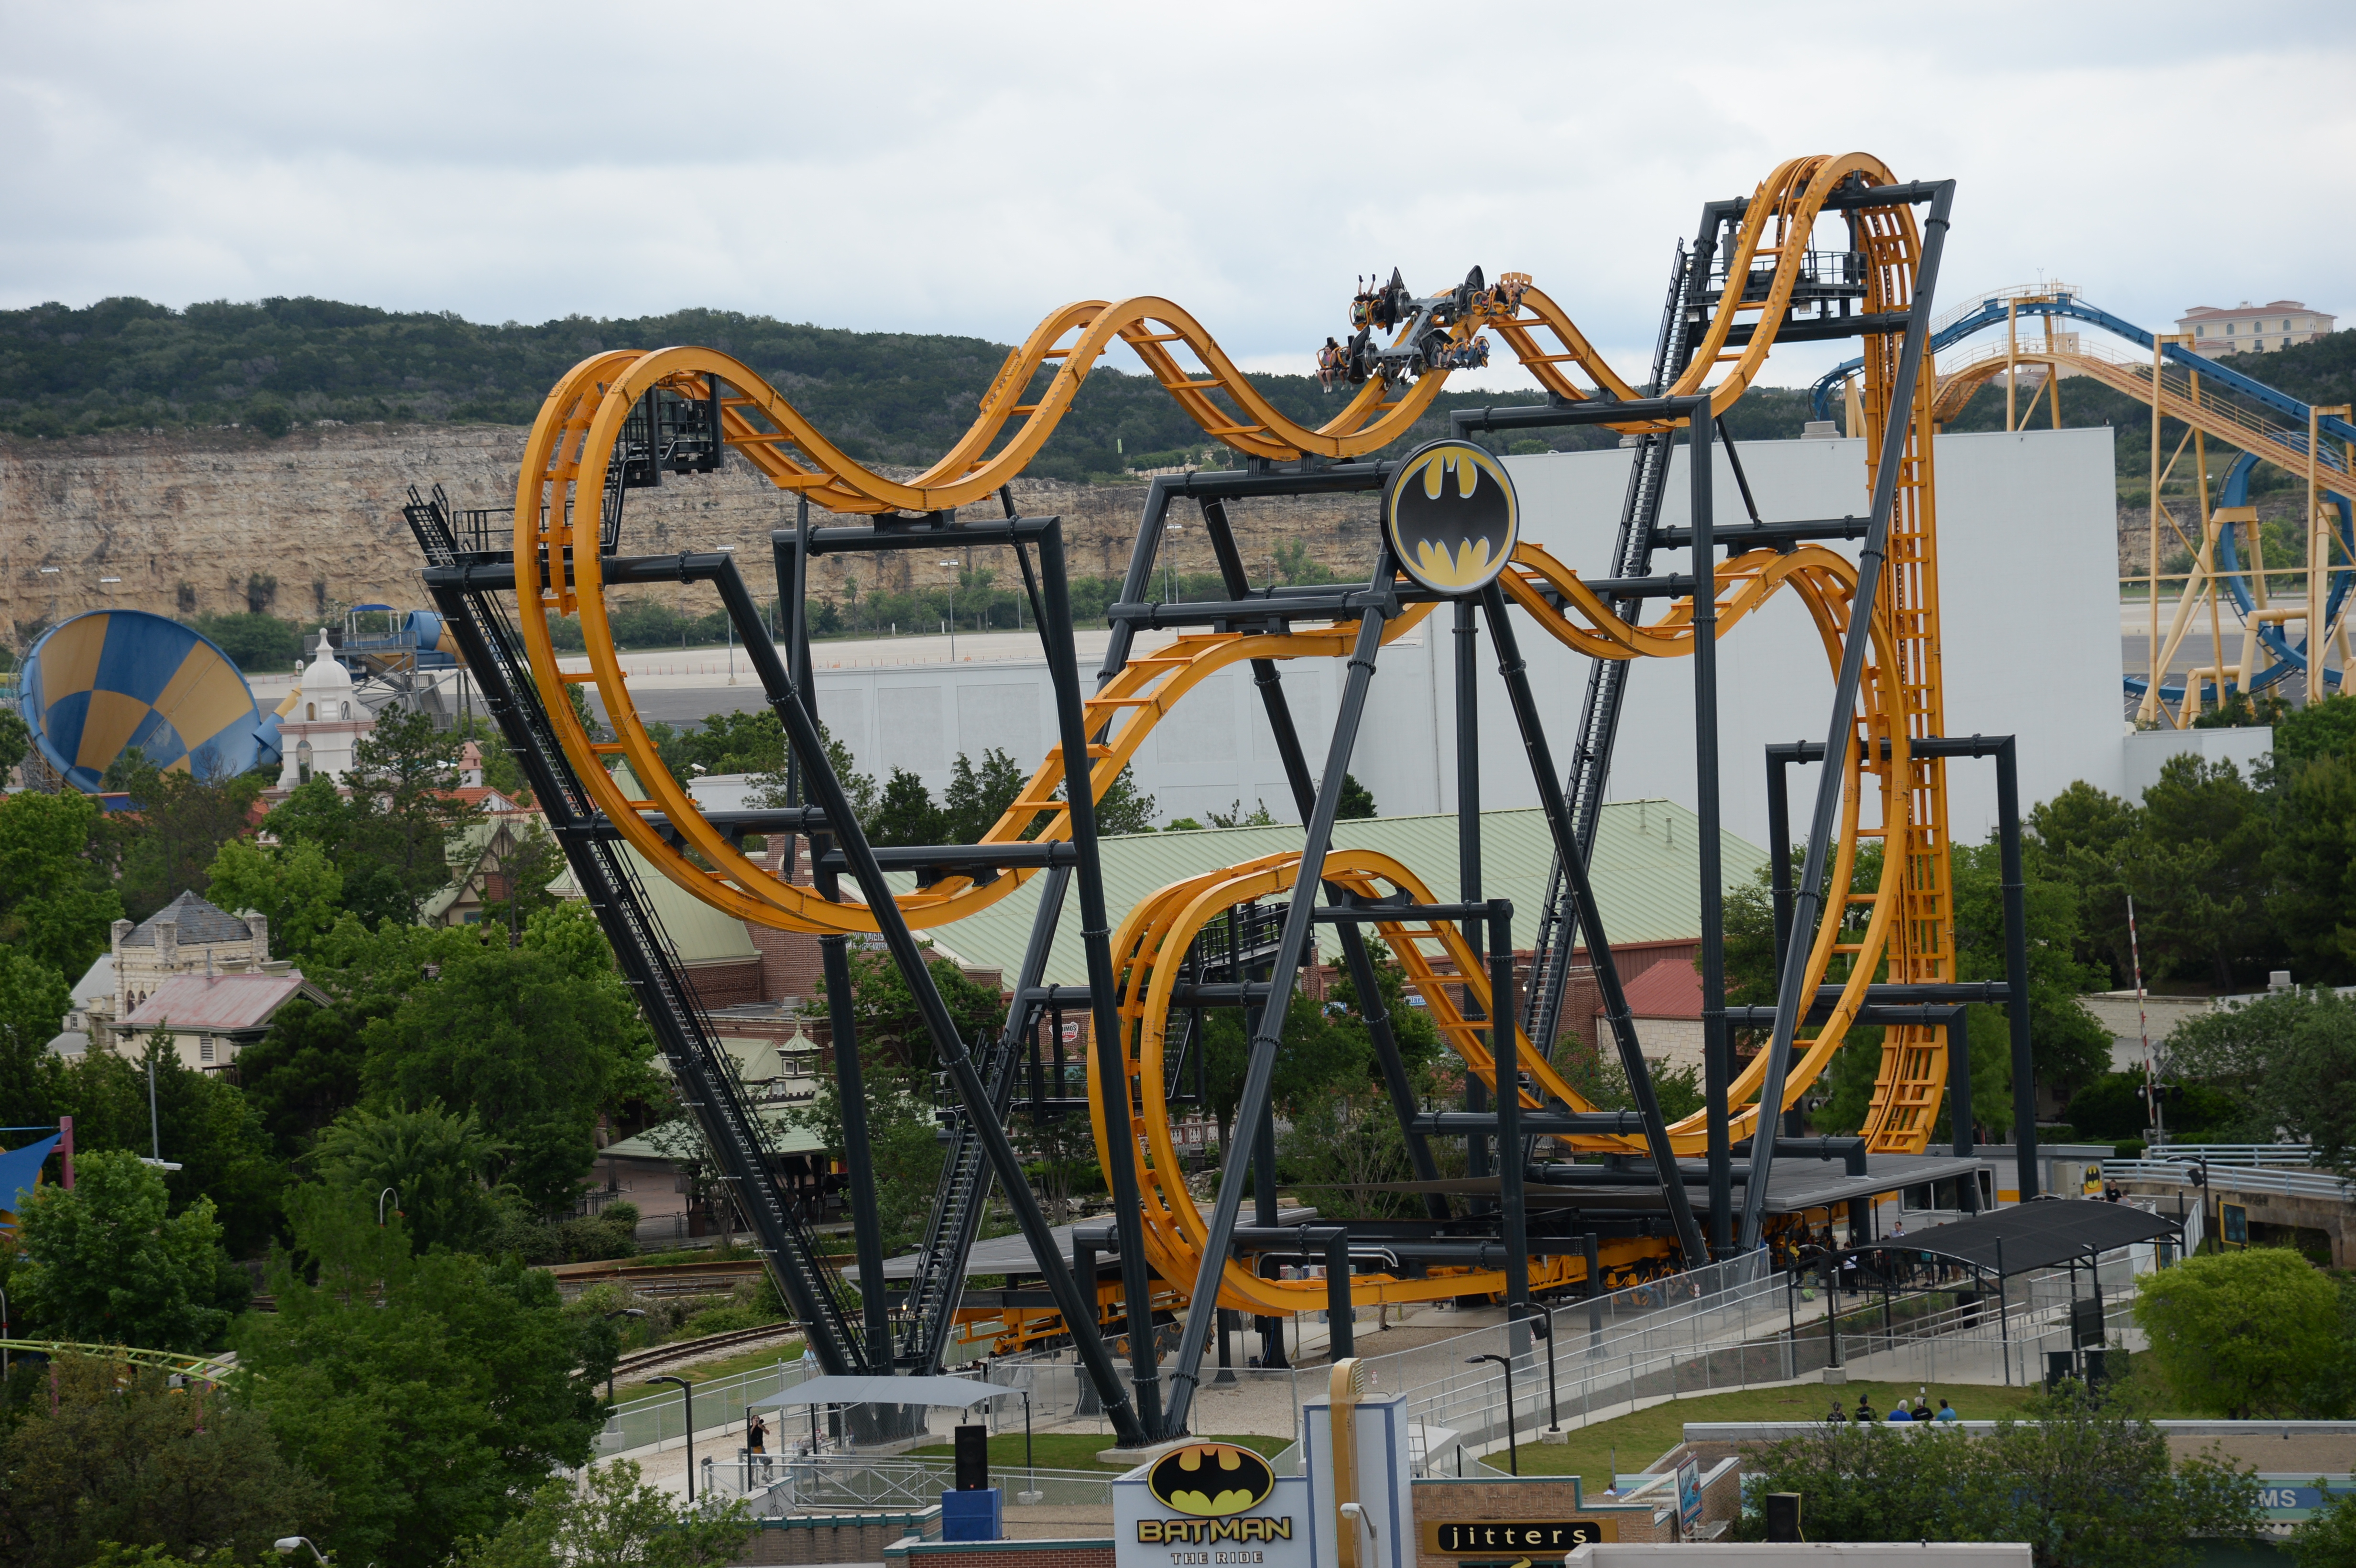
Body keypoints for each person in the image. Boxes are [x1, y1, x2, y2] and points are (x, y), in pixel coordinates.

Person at [747, 1410, 770, 1481]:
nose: (756, 1419)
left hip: (761, 1448)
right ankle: (752, 1479)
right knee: (753, 1465)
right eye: (754, 1418)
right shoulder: (750, 1427)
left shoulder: (761, 1427)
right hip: (752, 1448)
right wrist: (754, 1426)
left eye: (757, 1418)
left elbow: (768, 1433)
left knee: (767, 1462)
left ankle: (764, 1475)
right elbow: (749, 1434)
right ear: (752, 1421)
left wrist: (762, 1428)